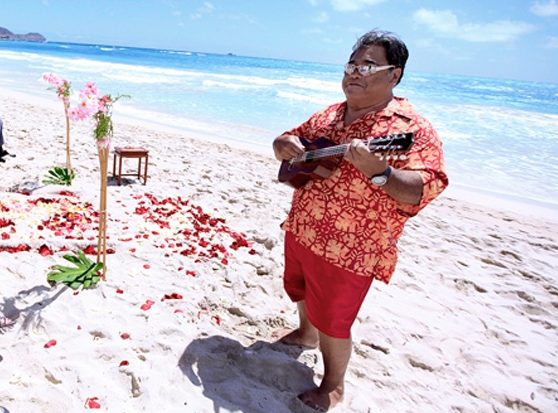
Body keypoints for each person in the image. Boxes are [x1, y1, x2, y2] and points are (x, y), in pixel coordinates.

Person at [272, 29, 448, 412]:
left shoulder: (410, 129)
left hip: (352, 246)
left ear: (394, 75)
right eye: (351, 63)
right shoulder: (330, 113)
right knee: (299, 289)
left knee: (334, 320)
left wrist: (380, 172)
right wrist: (283, 144)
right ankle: (304, 335)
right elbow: (288, 143)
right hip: (303, 226)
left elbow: (424, 187)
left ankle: (333, 386)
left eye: (367, 65)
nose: (354, 72)